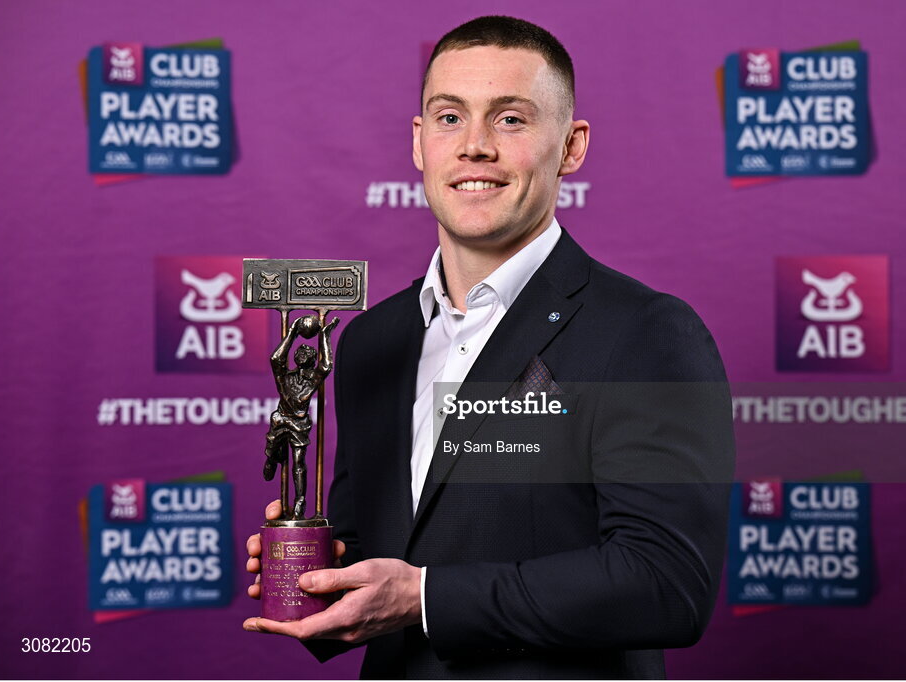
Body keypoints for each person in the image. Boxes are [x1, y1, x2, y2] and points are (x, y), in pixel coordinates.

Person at [244, 16, 735, 678]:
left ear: (571, 146)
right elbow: (384, 558)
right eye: (450, 117)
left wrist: (422, 599)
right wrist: (322, 579)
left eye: (510, 120)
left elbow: (666, 583)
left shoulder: (646, 333)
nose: (474, 146)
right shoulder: (371, 341)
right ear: (419, 144)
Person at [262, 313, 339, 519]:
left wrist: (324, 336)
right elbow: (276, 358)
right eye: (300, 350)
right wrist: (293, 331)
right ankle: (271, 457)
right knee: (273, 448)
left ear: (313, 359)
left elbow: (326, 365)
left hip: (300, 424)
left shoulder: (313, 378)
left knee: (298, 461)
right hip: (280, 420)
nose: (304, 351)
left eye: (308, 351)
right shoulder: (284, 376)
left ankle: (300, 499)